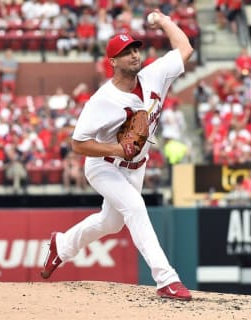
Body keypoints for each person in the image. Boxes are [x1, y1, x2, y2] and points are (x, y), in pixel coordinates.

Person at [40, 10, 194, 301]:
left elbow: (184, 49)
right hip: (103, 165)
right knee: (135, 207)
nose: (134, 55)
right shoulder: (101, 101)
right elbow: (78, 144)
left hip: (136, 167)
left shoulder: (155, 75)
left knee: (110, 223)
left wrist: (163, 21)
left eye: (135, 49)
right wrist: (114, 148)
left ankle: (61, 246)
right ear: (112, 62)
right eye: (126, 52)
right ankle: (166, 279)